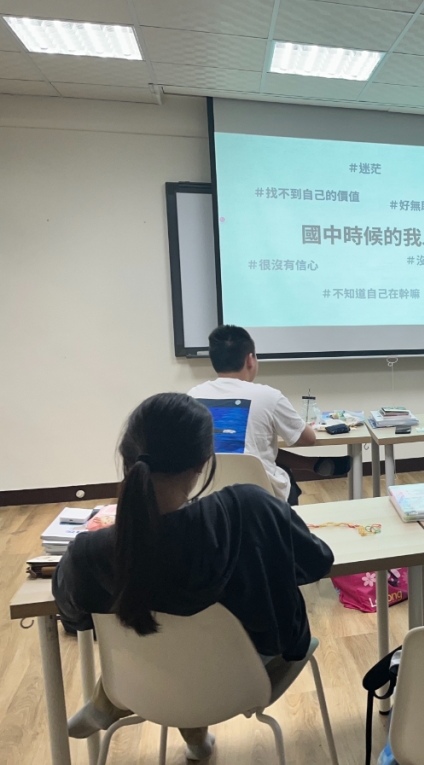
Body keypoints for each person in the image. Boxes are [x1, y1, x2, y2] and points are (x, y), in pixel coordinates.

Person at [53, 393, 334, 759]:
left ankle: (107, 701)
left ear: (128, 457)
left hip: (145, 681)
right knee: (211, 640)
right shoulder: (251, 506)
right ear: (204, 461)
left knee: (168, 643)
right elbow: (318, 562)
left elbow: (73, 618)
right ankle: (190, 734)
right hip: (252, 674)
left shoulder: (88, 553)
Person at [189, 325, 316, 505]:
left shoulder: (193, 396)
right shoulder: (269, 396)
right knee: (281, 472)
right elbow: (308, 439)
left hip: (206, 498)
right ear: (250, 360)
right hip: (261, 499)